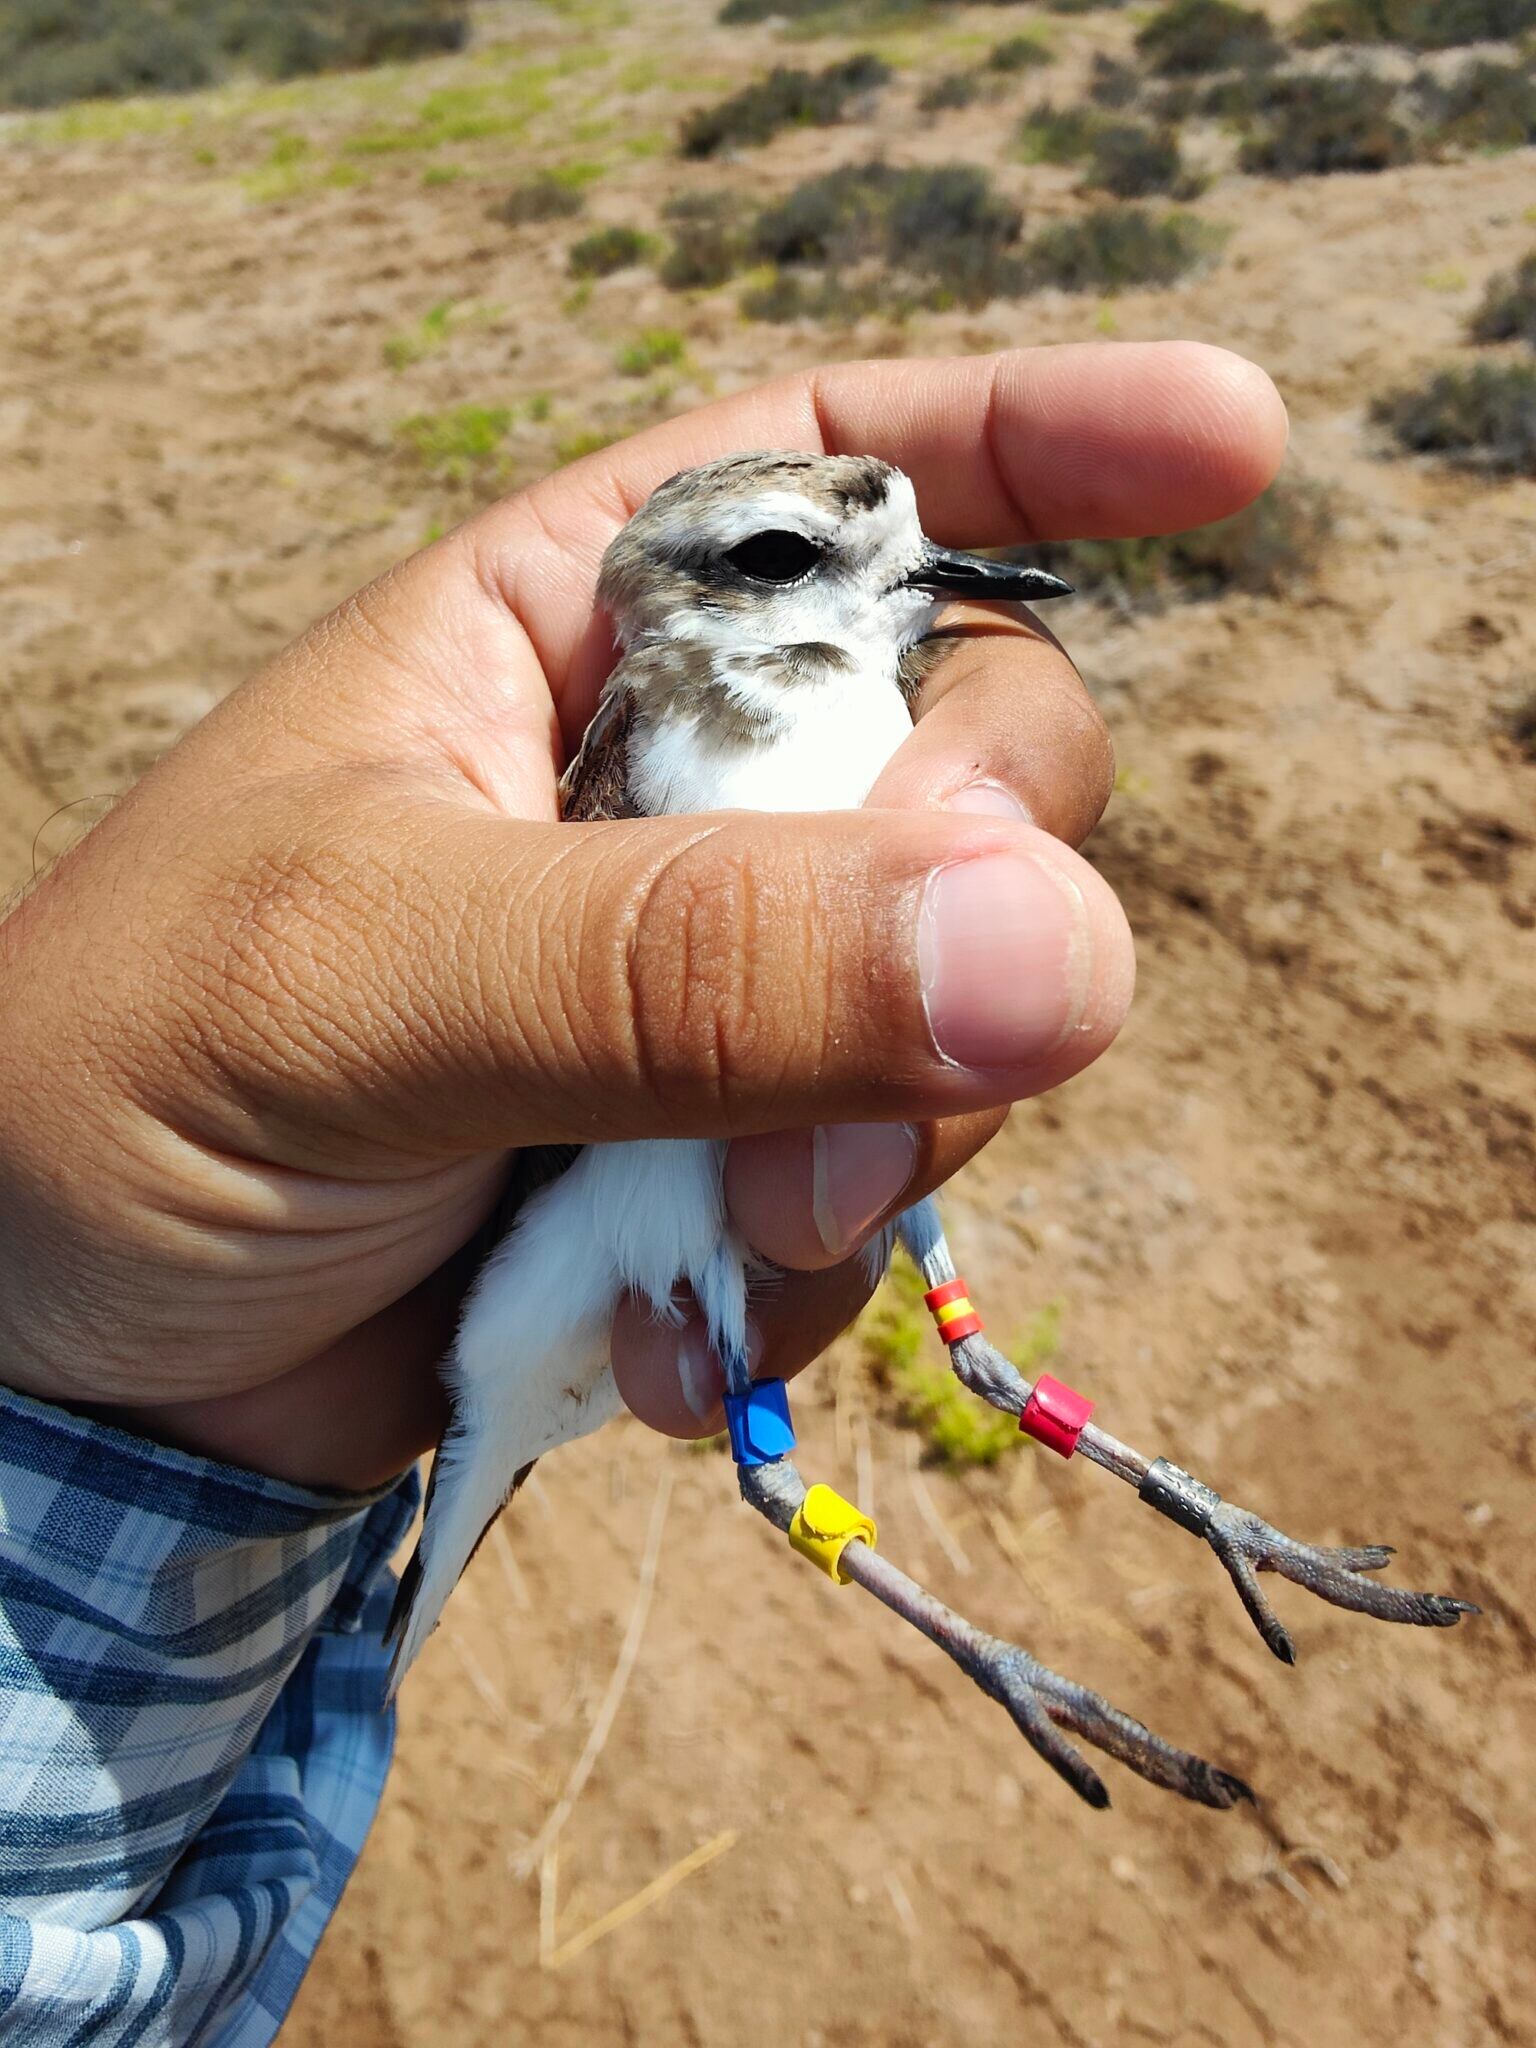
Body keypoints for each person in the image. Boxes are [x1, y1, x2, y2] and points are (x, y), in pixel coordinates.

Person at [0, 343, 1286, 2043]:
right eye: (792, 562)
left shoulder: (876, 701)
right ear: (674, 608)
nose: (907, 585)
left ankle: (1194, 1501)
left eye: (901, 545)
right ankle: (1004, 1660)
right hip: (570, 1249)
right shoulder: (642, 762)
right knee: (758, 1416)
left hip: (511, 1287)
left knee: (909, 1269)